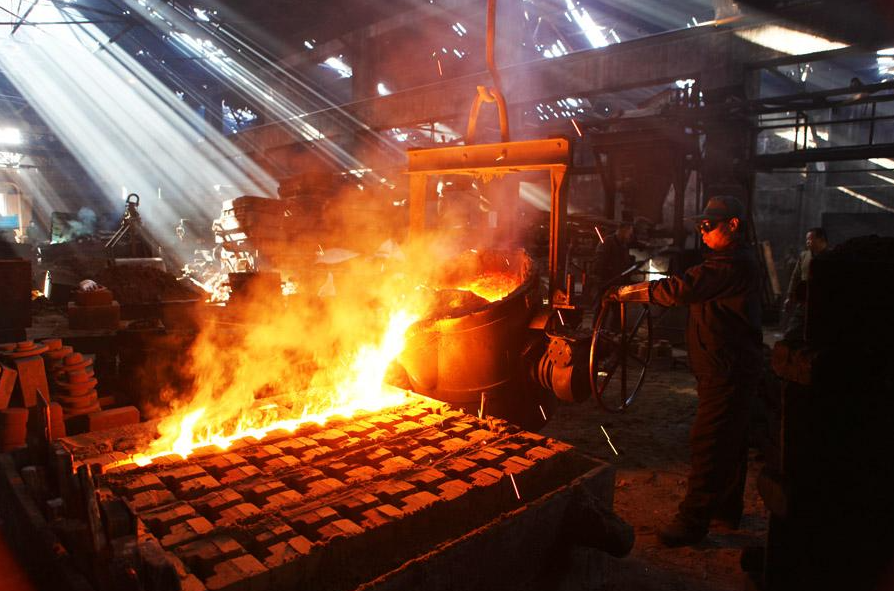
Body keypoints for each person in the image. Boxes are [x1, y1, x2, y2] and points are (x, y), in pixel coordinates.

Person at [607, 195, 762, 547]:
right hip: (730, 366)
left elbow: (679, 289)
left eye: (708, 225)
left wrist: (626, 293)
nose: (702, 231)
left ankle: (692, 523)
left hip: (727, 370)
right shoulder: (730, 262)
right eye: (700, 226)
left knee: (709, 442)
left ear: (733, 225)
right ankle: (726, 510)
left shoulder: (732, 265)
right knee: (731, 439)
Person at [783, 227, 828, 341]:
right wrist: (789, 296)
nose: (807, 242)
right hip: (803, 302)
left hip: (821, 302)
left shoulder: (830, 257)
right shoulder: (804, 256)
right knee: (793, 330)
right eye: (807, 239)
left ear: (821, 239)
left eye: (810, 239)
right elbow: (795, 277)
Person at [591, 221, 635, 291]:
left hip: (617, 283)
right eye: (629, 233)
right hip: (607, 283)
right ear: (624, 230)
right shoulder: (607, 242)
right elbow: (599, 264)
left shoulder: (623, 245)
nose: (629, 236)